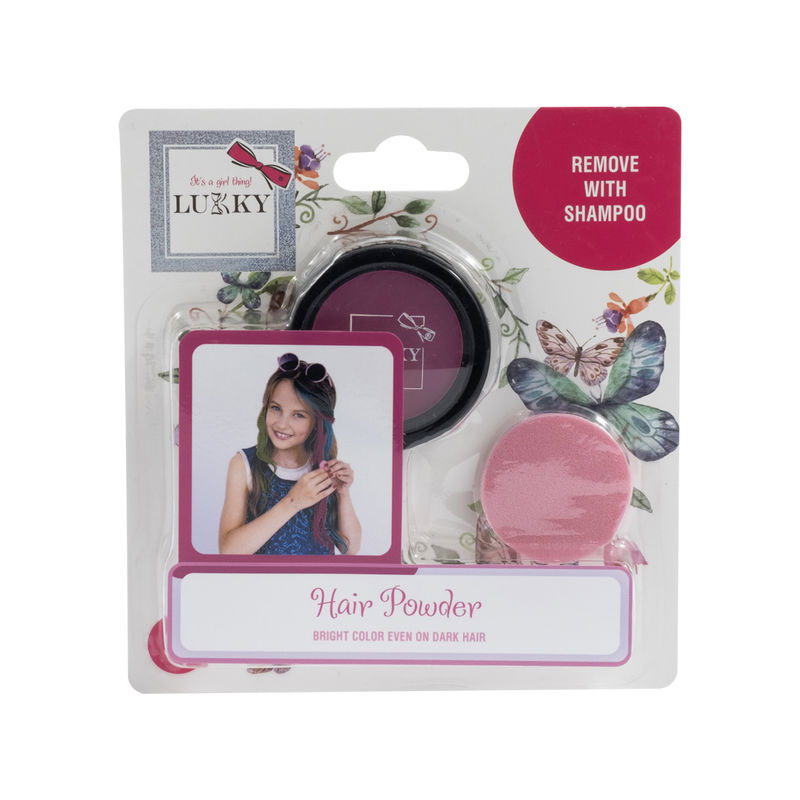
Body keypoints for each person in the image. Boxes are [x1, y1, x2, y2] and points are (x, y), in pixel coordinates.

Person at [219, 353, 362, 555]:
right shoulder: (244, 464)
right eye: (276, 408)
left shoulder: (323, 467)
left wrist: (343, 493)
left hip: (318, 577)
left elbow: (350, 550)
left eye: (298, 415)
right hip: (264, 577)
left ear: (317, 422)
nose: (282, 423)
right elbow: (228, 551)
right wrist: (293, 502)